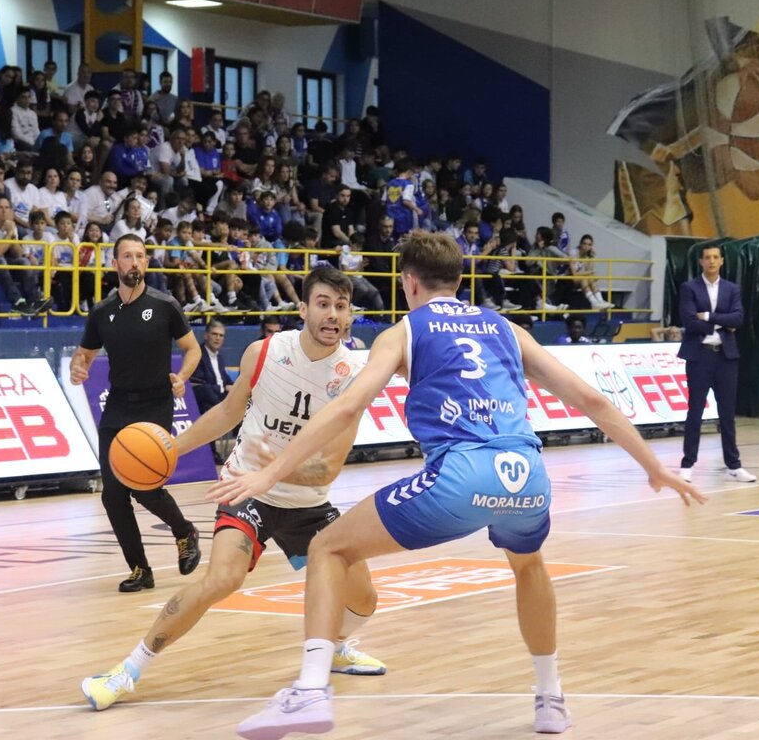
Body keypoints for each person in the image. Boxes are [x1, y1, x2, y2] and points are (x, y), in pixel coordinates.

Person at [213, 232, 705, 739]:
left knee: (327, 549)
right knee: (530, 567)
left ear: (408, 282)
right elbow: (593, 402)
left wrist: (270, 471)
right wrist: (654, 466)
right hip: (528, 476)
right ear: (461, 280)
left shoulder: (404, 331)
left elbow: (347, 407)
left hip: (462, 475)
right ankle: (551, 699)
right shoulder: (506, 327)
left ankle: (310, 691)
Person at [81, 268, 385, 712]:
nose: (332, 315)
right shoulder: (265, 353)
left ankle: (335, 646)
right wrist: (170, 447)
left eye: (341, 306)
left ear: (351, 314)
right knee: (222, 578)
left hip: (307, 504)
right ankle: (126, 671)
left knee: (365, 600)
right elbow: (228, 411)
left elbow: (326, 470)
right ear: (302, 309)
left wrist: (270, 473)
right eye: (323, 304)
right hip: (249, 494)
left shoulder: (357, 374)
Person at [69, 234, 204, 591]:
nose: (134, 263)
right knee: (112, 494)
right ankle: (139, 569)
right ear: (116, 264)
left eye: (140, 256)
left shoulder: (164, 305)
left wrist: (183, 378)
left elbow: (193, 350)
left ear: (146, 263)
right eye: (127, 257)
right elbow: (83, 355)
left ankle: (184, 531)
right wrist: (77, 369)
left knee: (145, 487)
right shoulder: (102, 311)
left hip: (155, 403)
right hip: (117, 406)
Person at [677, 243, 754, 483]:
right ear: (701, 262)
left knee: (727, 412)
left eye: (715, 257)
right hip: (700, 355)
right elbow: (690, 321)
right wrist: (723, 322)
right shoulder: (689, 288)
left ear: (721, 261)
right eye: (707, 257)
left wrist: (709, 317)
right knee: (695, 410)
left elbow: (739, 318)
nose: (711, 261)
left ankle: (734, 465)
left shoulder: (732, 289)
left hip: (725, 356)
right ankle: (687, 464)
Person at [190, 319, 234, 415]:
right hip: (206, 405)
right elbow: (201, 387)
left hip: (221, 401)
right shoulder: (197, 355)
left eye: (221, 335)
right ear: (206, 335)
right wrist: (222, 389)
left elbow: (227, 381)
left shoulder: (219, 358)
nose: (218, 338)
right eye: (214, 334)